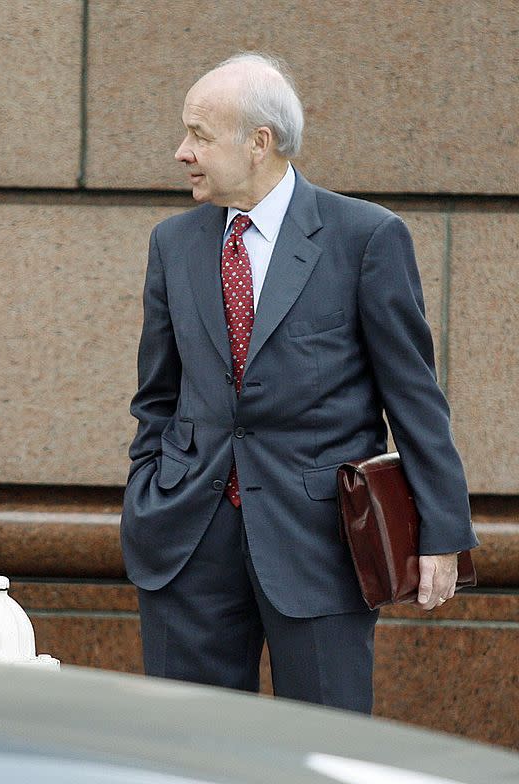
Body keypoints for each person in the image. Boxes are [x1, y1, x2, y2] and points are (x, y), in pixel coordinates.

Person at [120, 52, 477, 713]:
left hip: (319, 544)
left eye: (199, 134)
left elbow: (414, 396)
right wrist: (149, 489)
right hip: (186, 539)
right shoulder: (173, 243)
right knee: (188, 750)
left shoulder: (365, 238)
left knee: (322, 749)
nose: (181, 151)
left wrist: (442, 531)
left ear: (260, 143)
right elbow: (157, 396)